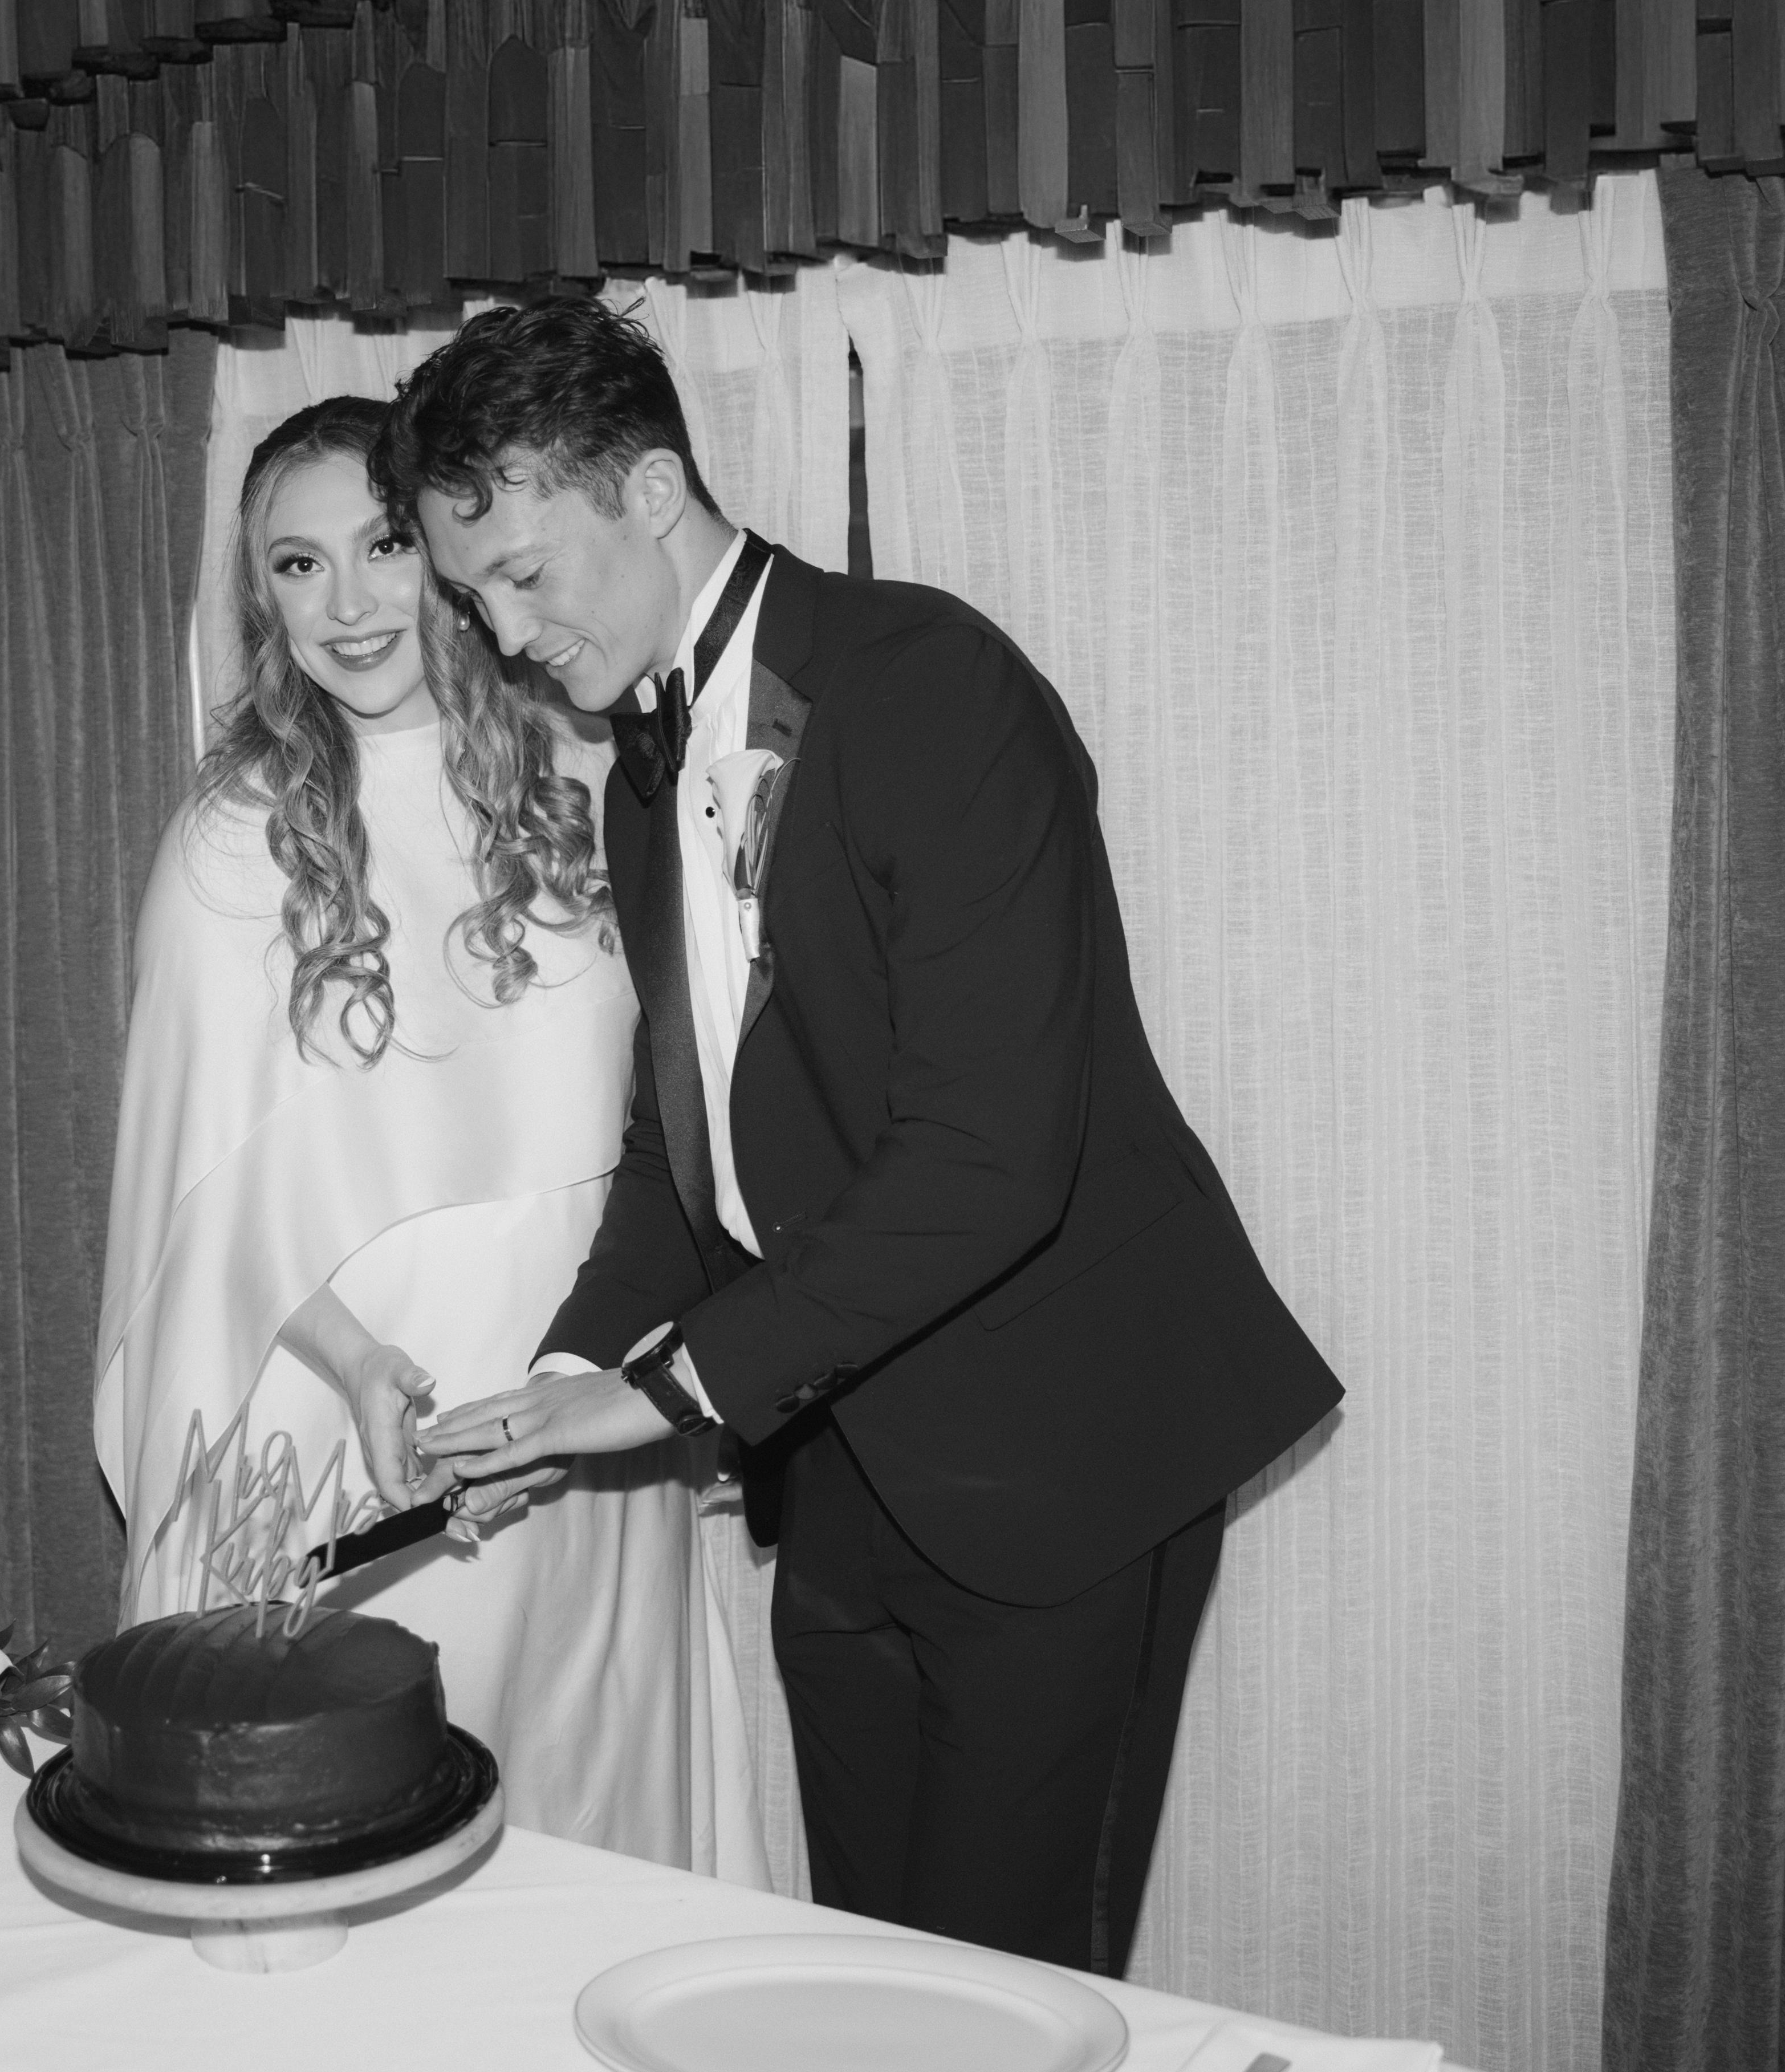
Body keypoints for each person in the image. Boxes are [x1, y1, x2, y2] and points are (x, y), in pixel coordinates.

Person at [399, 302, 1345, 1972]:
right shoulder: (638, 778)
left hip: (1058, 1456)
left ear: (652, 488)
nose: (509, 634)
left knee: (1012, 1992)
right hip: (839, 1460)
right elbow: (683, 1151)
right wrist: (563, 1381)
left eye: (525, 575)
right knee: (872, 1974)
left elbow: (989, 1154)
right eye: (477, 601)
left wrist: (670, 1389)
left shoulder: (927, 680)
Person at [89, 396, 763, 1880]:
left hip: (584, 1395)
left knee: (591, 1807)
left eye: (382, 545)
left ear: (450, 553)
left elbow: (674, 1117)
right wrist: (361, 1368)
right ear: (261, 602)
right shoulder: (229, 846)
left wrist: (645, 1371)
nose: (346, 603)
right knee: (382, 1824)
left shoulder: (586, 782)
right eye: (297, 565)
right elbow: (195, 1210)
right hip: (365, 1422)